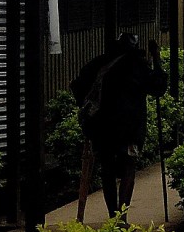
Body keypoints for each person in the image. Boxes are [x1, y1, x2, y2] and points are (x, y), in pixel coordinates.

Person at [71, 33, 166, 220]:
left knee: (107, 170)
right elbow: (158, 87)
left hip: (102, 128)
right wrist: (156, 57)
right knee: (128, 167)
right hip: (130, 128)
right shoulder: (138, 65)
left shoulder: (101, 63)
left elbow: (77, 85)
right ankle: (121, 218)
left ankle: (113, 214)